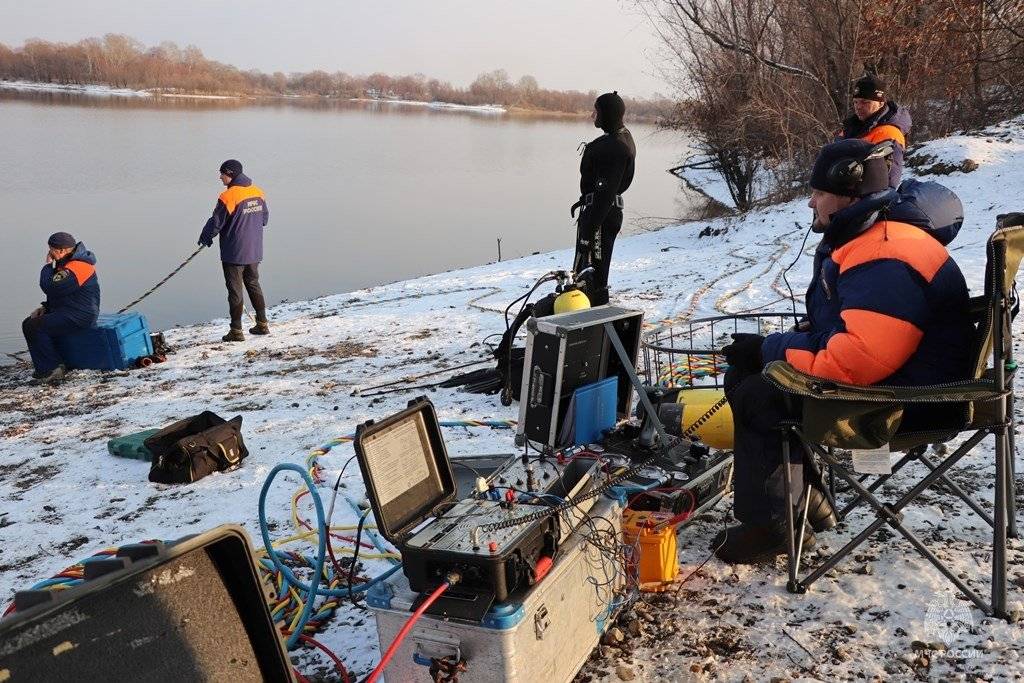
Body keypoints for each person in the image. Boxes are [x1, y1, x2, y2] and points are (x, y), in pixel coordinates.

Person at [715, 139, 974, 564]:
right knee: (748, 377)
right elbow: (847, 329)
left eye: (818, 193)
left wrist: (768, 350)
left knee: (759, 393)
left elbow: (856, 361)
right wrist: (772, 347)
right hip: (903, 378)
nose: (811, 203)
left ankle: (773, 529)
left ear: (848, 192)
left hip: (911, 400)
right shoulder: (872, 238)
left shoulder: (885, 252)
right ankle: (805, 506)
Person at [571, 91, 635, 306]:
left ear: (607, 113)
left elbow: (605, 195)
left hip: (601, 215)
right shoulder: (621, 137)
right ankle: (587, 317)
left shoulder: (615, 147)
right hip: (603, 213)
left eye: (596, 111)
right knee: (586, 274)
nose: (592, 116)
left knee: (594, 276)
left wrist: (587, 234)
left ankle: (594, 321)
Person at [198, 159, 270, 342]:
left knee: (235, 291)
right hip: (254, 251)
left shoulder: (228, 196)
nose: (220, 177)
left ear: (230, 174)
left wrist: (205, 237)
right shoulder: (258, 192)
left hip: (234, 252)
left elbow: (216, 222)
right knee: (253, 284)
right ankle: (262, 324)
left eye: (222, 173)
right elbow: (264, 220)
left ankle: (236, 331)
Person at [22, 232, 100, 384]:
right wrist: (46, 307)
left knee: (34, 327)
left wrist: (46, 266)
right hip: (69, 310)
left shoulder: (78, 267)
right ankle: (52, 363)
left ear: (61, 250)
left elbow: (50, 286)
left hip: (80, 315)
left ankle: (51, 370)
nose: (49, 253)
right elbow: (61, 294)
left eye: (51, 249)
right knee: (29, 322)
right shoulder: (66, 263)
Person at [838, 74, 912, 188]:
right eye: (855, 102)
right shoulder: (850, 128)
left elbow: (887, 184)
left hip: (861, 199)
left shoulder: (890, 134)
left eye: (865, 102)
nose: (858, 106)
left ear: (881, 103)